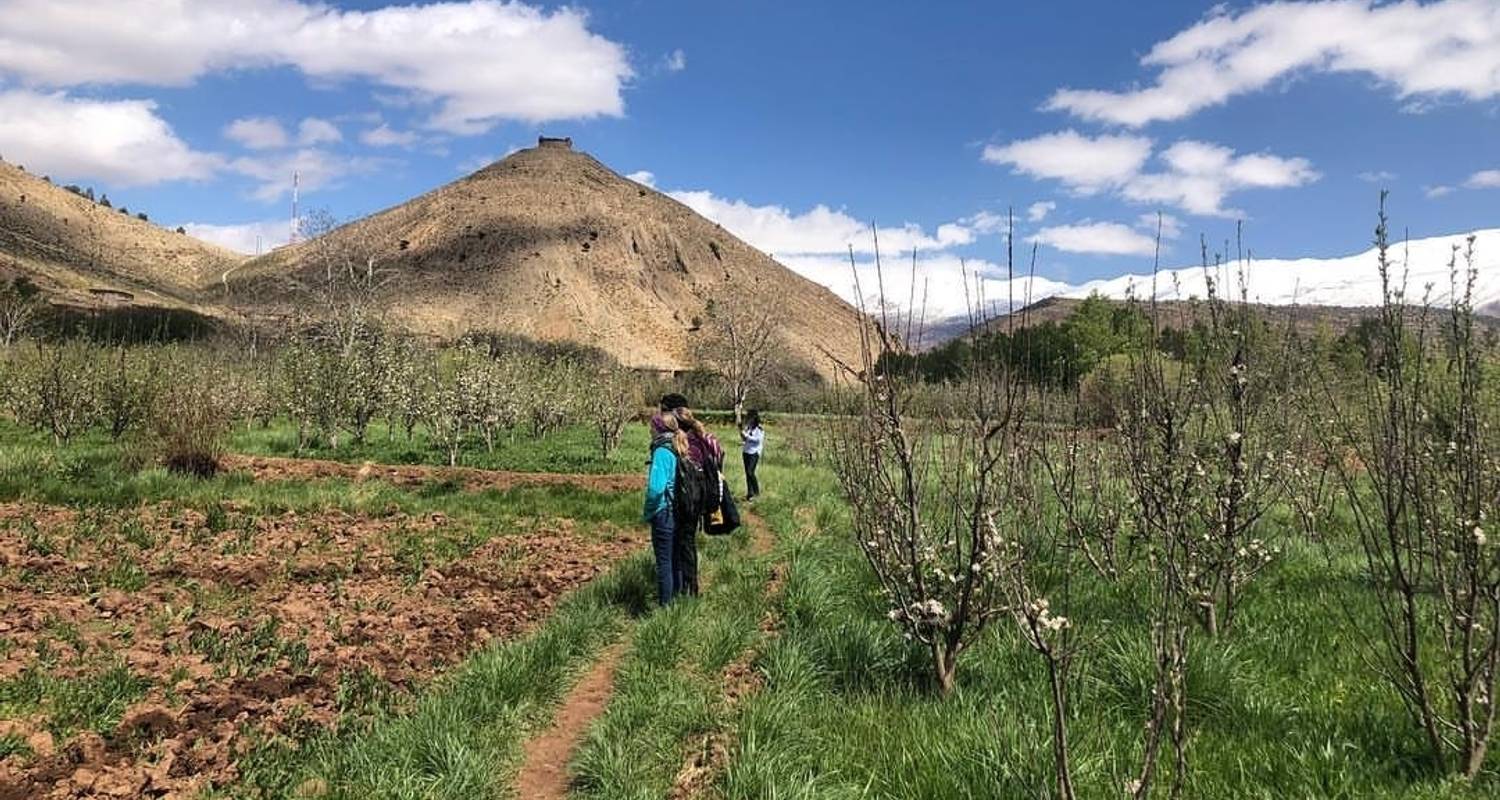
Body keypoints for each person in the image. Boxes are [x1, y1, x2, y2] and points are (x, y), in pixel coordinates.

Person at [660, 394, 723, 597]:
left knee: (684, 544)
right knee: (687, 542)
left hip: (686, 499)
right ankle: (687, 586)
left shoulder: (684, 440)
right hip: (699, 498)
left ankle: (689, 590)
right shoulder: (702, 436)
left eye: (663, 410)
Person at [644, 410, 688, 606]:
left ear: (658, 429)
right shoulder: (678, 447)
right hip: (679, 510)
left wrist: (648, 512)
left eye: (652, 426)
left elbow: (655, 488)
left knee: (664, 563)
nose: (649, 429)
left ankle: (665, 608)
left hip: (664, 511)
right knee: (675, 559)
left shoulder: (661, 451)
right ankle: (677, 601)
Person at [740, 410, 764, 500]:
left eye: (749, 418)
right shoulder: (748, 428)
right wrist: (742, 435)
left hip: (754, 452)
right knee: (747, 473)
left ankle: (756, 492)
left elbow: (757, 440)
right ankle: (749, 494)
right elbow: (745, 438)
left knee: (751, 472)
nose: (748, 420)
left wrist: (746, 436)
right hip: (746, 451)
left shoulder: (759, 429)